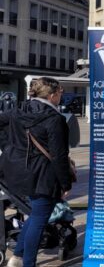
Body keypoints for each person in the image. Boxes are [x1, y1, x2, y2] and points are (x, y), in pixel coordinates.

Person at [0, 77, 72, 267]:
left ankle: (17, 256)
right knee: (40, 218)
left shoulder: (19, 110)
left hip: (15, 172)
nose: (61, 96)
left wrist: (9, 147)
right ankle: (28, 263)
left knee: (36, 214)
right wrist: (65, 183)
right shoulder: (54, 119)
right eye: (60, 93)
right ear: (51, 95)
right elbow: (59, 156)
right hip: (42, 175)